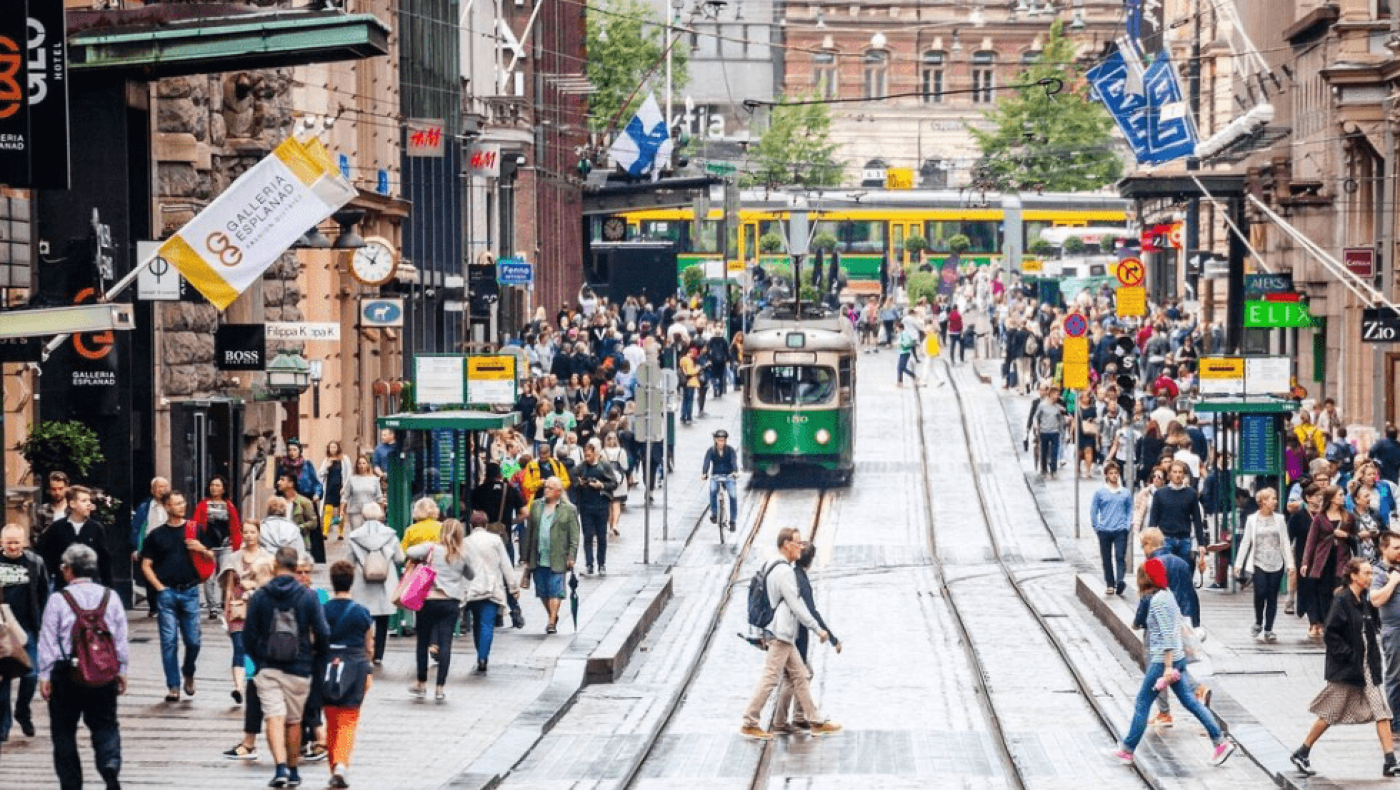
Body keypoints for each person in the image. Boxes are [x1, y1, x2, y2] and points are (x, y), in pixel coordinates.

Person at [1111, 559, 1235, 767]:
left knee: (1142, 702)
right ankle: (1220, 742)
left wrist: (1168, 668)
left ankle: (1127, 749)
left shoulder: (1158, 601)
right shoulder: (1167, 594)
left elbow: (1168, 635)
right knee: (1190, 701)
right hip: (1177, 658)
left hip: (1162, 661)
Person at [1291, 558, 1400, 777]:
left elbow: (1370, 631)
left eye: (1371, 573)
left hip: (1366, 668)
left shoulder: (1364, 600)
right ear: (1354, 576)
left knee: (1382, 712)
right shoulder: (1342, 600)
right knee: (1330, 713)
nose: (1370, 577)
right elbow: (1331, 634)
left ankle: (1390, 761)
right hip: (1347, 669)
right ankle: (1302, 752)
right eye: (1367, 573)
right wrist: (1349, 656)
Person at [37, 544, 128, 790]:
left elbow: (48, 639)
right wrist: (122, 670)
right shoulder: (111, 597)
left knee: (64, 732)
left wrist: (45, 675)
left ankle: (71, 784)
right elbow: (120, 637)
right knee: (106, 724)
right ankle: (109, 762)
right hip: (104, 672)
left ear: (68, 570)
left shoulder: (58, 599)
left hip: (66, 673)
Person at [739, 527, 841, 740]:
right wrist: (818, 629)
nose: (801, 547)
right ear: (786, 545)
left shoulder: (772, 563)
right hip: (781, 633)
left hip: (781, 633)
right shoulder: (784, 572)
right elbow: (796, 605)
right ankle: (749, 721)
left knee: (801, 675)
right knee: (771, 677)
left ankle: (815, 721)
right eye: (797, 543)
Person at [245, 546, 331, 788]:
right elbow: (323, 632)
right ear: (295, 567)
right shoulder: (309, 596)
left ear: (274, 566)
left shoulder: (261, 595)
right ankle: (293, 770)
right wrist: (316, 657)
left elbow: (248, 634)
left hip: (268, 666)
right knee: (293, 721)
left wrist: (258, 659)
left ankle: (280, 767)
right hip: (299, 667)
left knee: (273, 717)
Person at [140, 491, 211, 703]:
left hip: (190, 591)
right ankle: (173, 686)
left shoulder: (194, 529)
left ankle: (188, 670)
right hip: (167, 593)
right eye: (177, 503)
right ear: (167, 507)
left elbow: (212, 556)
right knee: (169, 641)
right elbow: (146, 565)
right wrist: (160, 588)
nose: (182, 506)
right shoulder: (156, 535)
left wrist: (202, 548)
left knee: (194, 641)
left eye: (183, 502)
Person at [771, 539, 841, 734]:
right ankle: (787, 720)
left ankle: (796, 718)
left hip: (787, 634)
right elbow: (811, 612)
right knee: (798, 676)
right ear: (811, 561)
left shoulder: (792, 575)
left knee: (798, 676)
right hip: (793, 636)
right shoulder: (799, 580)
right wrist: (831, 638)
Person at [405, 519, 475, 700]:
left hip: (428, 600)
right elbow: (471, 574)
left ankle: (421, 683)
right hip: (450, 602)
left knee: (422, 642)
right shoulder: (462, 554)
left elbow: (409, 551)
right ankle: (440, 688)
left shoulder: (431, 548)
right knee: (445, 644)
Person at [321, 560, 375, 789]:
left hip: (327, 667)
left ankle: (335, 766)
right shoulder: (361, 612)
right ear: (352, 581)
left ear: (332, 582)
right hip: (355, 666)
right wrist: (369, 669)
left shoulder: (323, 610)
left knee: (331, 718)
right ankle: (341, 765)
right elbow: (369, 646)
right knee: (349, 718)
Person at [0, 523, 48, 743]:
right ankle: (3, 725)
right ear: (1, 543)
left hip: (27, 626)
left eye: (17, 542)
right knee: (3, 679)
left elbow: (43, 592)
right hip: (2, 629)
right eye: (9, 542)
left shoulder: (35, 563)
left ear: (24, 542)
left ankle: (22, 710)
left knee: (31, 674)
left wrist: (44, 622)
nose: (13, 547)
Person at [520, 478, 580, 635]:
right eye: (545, 487)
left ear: (558, 492)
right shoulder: (536, 506)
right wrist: (525, 555)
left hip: (558, 556)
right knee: (542, 591)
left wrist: (571, 555)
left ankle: (551, 621)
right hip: (538, 555)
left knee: (556, 590)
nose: (546, 490)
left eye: (550, 488)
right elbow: (530, 531)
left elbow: (574, 535)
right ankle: (552, 614)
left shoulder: (569, 509)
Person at [1234, 488, 1294, 642]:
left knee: (1272, 596)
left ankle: (1269, 628)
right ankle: (1258, 621)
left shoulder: (1279, 519)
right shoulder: (1252, 520)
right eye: (1271, 498)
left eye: (1275, 498)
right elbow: (1246, 542)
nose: (1275, 501)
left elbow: (1285, 541)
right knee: (1260, 593)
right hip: (1258, 562)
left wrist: (1290, 564)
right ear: (1262, 501)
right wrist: (1238, 563)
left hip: (1277, 562)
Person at [346, 502, 403, 665]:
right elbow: (399, 558)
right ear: (380, 515)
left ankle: (366, 650)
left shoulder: (354, 536)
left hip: (363, 582)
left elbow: (348, 561)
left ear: (363, 515)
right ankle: (379, 654)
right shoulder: (390, 535)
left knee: (364, 619)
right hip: (385, 581)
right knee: (383, 620)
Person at [463, 511, 520, 673]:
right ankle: (483, 657)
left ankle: (480, 653)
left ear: (471, 526)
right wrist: (513, 587)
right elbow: (506, 565)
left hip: (472, 589)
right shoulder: (495, 540)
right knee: (487, 624)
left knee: (476, 622)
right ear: (486, 525)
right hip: (492, 588)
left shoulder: (465, 542)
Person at [221, 520, 271, 705]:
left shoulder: (267, 558)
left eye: (252, 532)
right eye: (246, 532)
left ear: (259, 534)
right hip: (238, 608)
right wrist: (226, 609)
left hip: (259, 609)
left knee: (257, 649)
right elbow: (228, 587)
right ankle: (238, 688)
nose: (249, 536)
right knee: (239, 647)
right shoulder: (233, 558)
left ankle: (257, 685)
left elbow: (270, 586)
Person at [1301, 485, 1356, 639]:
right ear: (1331, 498)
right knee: (1323, 591)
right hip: (1323, 558)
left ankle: (1336, 622)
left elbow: (1355, 538)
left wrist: (1345, 535)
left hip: (1341, 557)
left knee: (1339, 589)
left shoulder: (1348, 516)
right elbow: (1311, 541)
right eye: (1340, 495)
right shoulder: (1320, 518)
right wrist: (1305, 562)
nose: (1343, 497)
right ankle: (1326, 623)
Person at [37, 485, 113, 591]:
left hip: (91, 586)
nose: (89, 504)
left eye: (89, 500)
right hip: (63, 586)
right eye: (84, 501)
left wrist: (108, 587)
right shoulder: (57, 528)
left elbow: (104, 561)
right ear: (72, 504)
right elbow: (48, 558)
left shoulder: (96, 528)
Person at [191, 474, 242, 620]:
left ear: (223, 488)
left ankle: (224, 603)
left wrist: (237, 547)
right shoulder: (202, 505)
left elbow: (235, 527)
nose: (214, 488)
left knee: (226, 576)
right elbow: (196, 526)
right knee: (209, 578)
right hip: (208, 548)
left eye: (218, 485)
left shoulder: (229, 505)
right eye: (212, 485)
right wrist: (199, 545)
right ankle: (212, 608)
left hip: (226, 547)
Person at [1147, 460, 1207, 570]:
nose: (1177, 475)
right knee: (1167, 570)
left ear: (1184, 474)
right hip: (1165, 538)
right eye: (1174, 472)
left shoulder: (1191, 494)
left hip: (1184, 539)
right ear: (1169, 474)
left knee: (1183, 570)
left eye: (1180, 472)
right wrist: (1150, 543)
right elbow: (1153, 520)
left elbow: (1197, 520)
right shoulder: (1160, 494)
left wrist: (1201, 544)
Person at [1370, 532, 1400, 738]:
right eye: (1396, 548)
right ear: (1384, 548)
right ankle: (1395, 723)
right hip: (1394, 630)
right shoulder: (1379, 572)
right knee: (1395, 676)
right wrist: (1393, 583)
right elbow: (1375, 600)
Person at [129, 477, 170, 616]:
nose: (162, 490)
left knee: (166, 576)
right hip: (149, 546)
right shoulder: (144, 507)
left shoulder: (171, 505)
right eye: (159, 487)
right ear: (152, 490)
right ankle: (154, 607)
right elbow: (136, 528)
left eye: (165, 486)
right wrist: (135, 548)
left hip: (168, 546)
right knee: (149, 577)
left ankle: (166, 606)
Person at [1090, 462, 1133, 596]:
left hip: (1120, 529)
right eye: (1111, 473)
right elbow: (1094, 510)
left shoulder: (1125, 493)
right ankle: (1109, 584)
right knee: (1106, 558)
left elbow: (1130, 509)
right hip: (1104, 530)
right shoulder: (1100, 493)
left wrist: (1127, 525)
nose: (1114, 476)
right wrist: (1096, 526)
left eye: (1116, 473)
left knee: (1120, 556)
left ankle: (1120, 581)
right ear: (1106, 475)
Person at [278, 471, 322, 564]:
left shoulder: (304, 502)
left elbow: (313, 523)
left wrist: (298, 528)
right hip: (281, 544)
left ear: (291, 483)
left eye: (282, 480)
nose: (279, 482)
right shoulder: (278, 502)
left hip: (300, 544)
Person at [318, 441, 353, 541]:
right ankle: (325, 533)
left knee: (340, 512)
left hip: (341, 488)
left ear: (338, 448)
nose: (333, 449)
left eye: (334, 447)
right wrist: (327, 467)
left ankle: (340, 533)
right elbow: (320, 474)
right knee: (328, 510)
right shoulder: (326, 460)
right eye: (331, 447)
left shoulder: (344, 459)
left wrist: (345, 487)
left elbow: (349, 473)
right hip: (329, 488)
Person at [342, 457, 381, 537]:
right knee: (357, 535)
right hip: (355, 512)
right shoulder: (351, 479)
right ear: (357, 465)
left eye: (364, 463)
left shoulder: (374, 479)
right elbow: (345, 496)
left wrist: (381, 511)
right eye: (359, 463)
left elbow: (379, 497)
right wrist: (342, 510)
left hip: (370, 513)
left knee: (369, 536)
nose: (362, 465)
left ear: (368, 465)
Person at [679, 347, 702, 425]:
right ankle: (689, 416)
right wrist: (697, 369)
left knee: (685, 400)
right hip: (690, 382)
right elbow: (690, 372)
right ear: (691, 353)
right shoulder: (688, 360)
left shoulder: (682, 359)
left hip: (685, 382)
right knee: (690, 400)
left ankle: (683, 416)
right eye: (694, 354)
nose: (694, 356)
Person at [895, 318, 919, 386]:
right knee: (899, 367)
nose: (896, 329)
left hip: (905, 352)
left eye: (896, 327)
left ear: (899, 328)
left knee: (902, 367)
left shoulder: (904, 334)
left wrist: (900, 344)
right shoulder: (901, 334)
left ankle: (914, 376)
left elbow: (907, 343)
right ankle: (900, 382)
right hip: (903, 352)